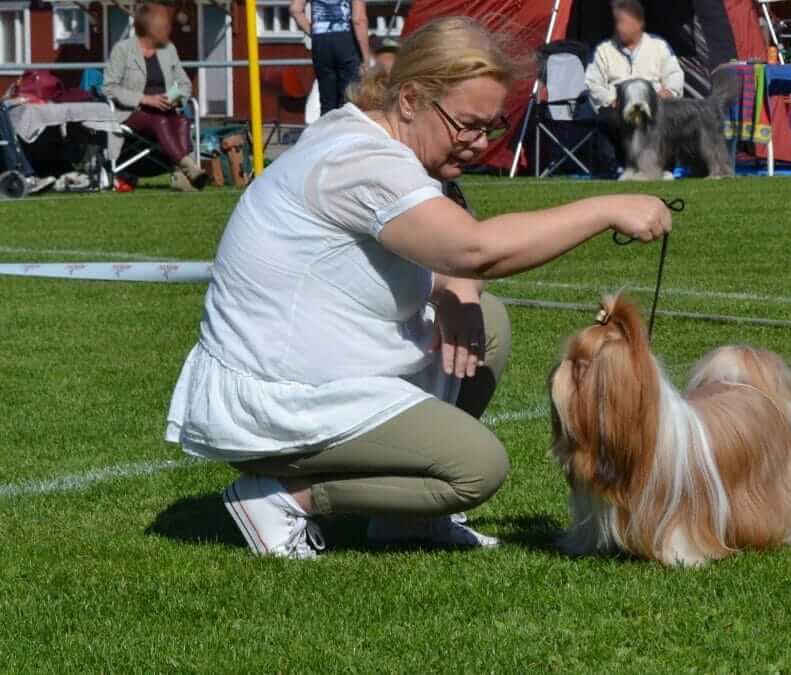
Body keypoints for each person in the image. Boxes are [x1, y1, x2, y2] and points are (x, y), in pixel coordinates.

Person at [165, 17, 672, 560]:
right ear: (410, 100)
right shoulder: (363, 164)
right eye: (468, 126)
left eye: (492, 128)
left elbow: (454, 256)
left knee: (486, 320)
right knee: (476, 470)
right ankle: (284, 496)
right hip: (275, 396)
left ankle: (406, 521)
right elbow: (474, 249)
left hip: (315, 364)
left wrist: (461, 288)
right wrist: (608, 207)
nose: (479, 144)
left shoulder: (370, 135)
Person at [103, 4, 207, 191]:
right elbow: (110, 88)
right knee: (159, 120)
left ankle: (180, 177)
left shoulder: (169, 49)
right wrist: (144, 99)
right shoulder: (123, 49)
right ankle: (187, 167)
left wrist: (173, 97)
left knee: (182, 120)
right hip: (132, 112)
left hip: (166, 109)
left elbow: (185, 84)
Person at [585, 0, 684, 175]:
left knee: (670, 115)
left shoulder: (658, 46)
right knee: (608, 119)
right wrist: (610, 99)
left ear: (638, 24)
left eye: (624, 23)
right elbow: (593, 83)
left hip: (654, 103)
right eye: (617, 23)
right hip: (618, 105)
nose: (619, 27)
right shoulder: (604, 50)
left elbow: (674, 74)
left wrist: (670, 91)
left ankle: (665, 169)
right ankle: (614, 168)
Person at [291, 0, 373, 116]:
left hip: (321, 43)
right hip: (346, 42)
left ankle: (327, 132)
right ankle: (345, 132)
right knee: (348, 101)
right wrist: (366, 56)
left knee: (327, 103)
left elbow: (295, 9)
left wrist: (313, 32)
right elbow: (358, 19)